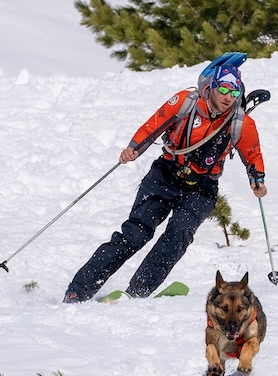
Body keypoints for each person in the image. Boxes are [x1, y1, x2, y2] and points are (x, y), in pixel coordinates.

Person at [64, 53, 267, 302]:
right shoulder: (185, 102)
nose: (228, 97)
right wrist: (134, 148)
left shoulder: (240, 123)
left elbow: (253, 154)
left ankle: (138, 292)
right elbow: (153, 126)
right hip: (165, 175)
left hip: (202, 188)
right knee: (135, 234)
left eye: (234, 93)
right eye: (224, 89)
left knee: (178, 234)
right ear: (212, 86)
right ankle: (79, 290)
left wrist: (257, 179)